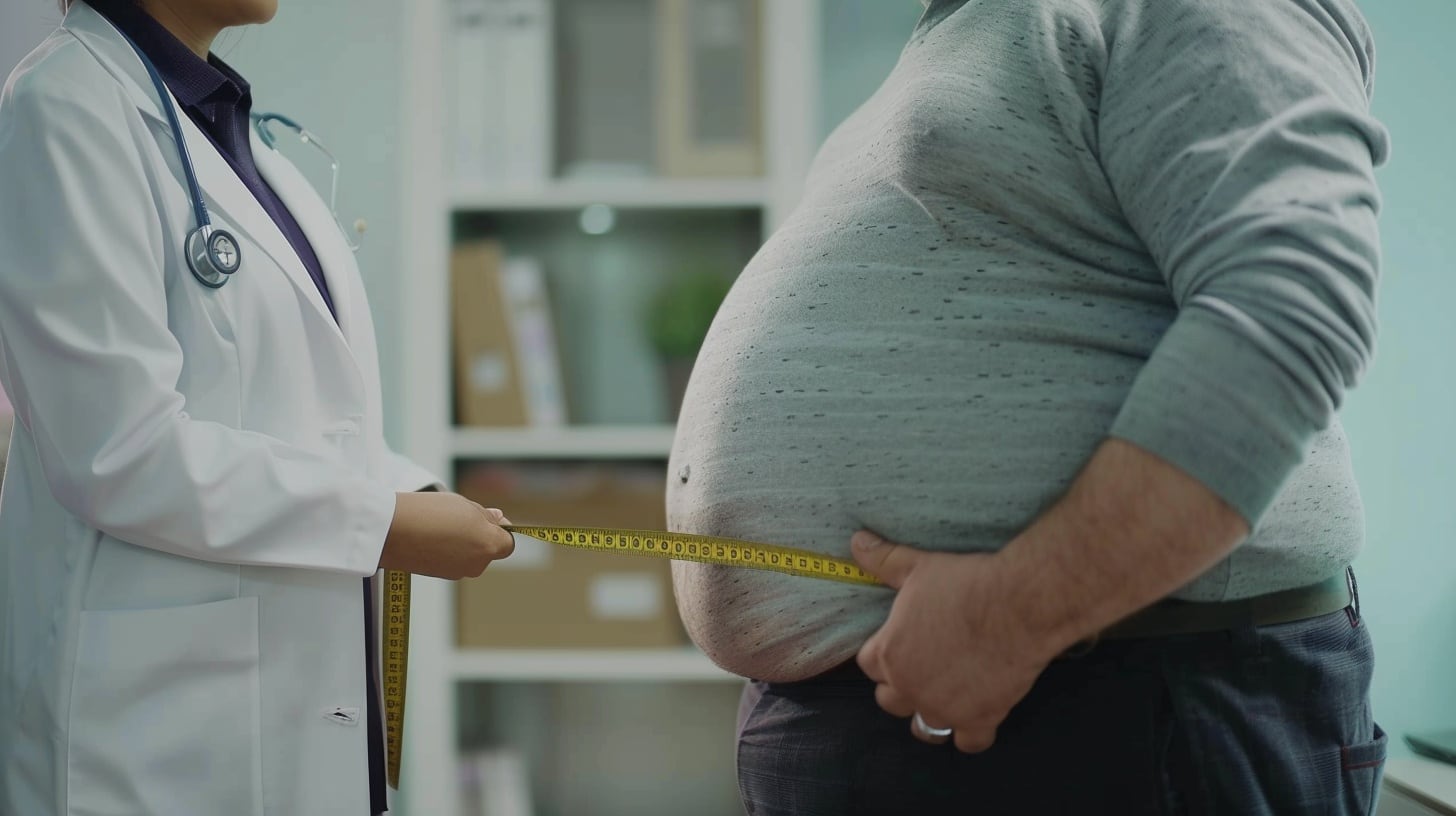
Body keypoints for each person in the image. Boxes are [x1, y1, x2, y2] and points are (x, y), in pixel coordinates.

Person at [667, 0, 1390, 813]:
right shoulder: (951, 38)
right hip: (922, 717)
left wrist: (1018, 612)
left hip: (1112, 698)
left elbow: (1292, 302)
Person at [0, 1, 515, 813]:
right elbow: (118, 449)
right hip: (154, 737)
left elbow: (287, 414)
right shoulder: (65, 107)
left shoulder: (220, 124)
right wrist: (383, 524)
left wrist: (404, 493)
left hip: (287, 696)